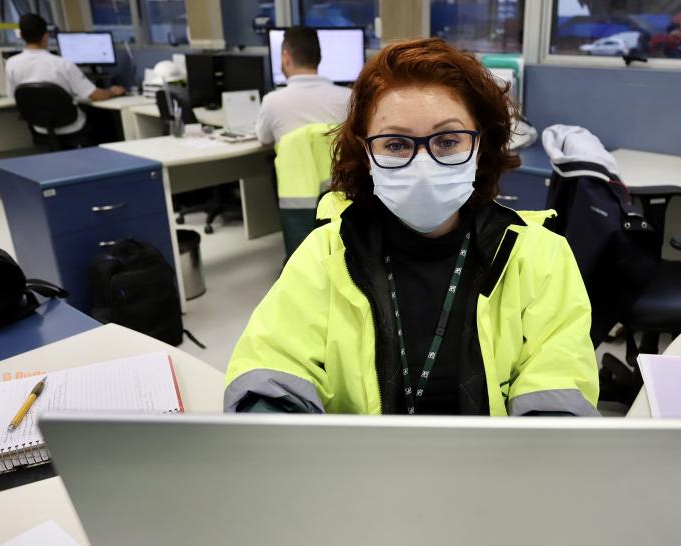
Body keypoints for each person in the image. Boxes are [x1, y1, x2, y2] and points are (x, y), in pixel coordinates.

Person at [226, 38, 599, 416]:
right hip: (362, 469)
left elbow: (558, 384)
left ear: (480, 146)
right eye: (396, 145)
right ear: (367, 154)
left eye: (448, 140)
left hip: (493, 470)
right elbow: (274, 365)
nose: (423, 165)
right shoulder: (325, 254)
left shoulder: (540, 258)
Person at [5, 13, 125, 136]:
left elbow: (13, 97)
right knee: (103, 118)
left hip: (40, 127)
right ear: (46, 36)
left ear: (22, 37)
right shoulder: (62, 64)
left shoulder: (11, 63)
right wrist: (112, 91)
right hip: (72, 127)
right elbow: (96, 96)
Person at [254, 26, 352, 145]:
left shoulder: (271, 102)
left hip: (293, 164)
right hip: (336, 164)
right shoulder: (348, 98)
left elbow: (264, 139)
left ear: (286, 58)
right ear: (319, 58)